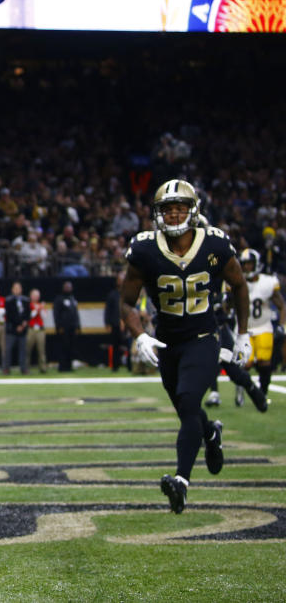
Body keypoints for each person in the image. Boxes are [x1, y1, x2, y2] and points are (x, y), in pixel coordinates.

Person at [120, 179, 251, 514]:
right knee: (186, 408)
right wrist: (140, 335)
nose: (174, 213)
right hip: (167, 340)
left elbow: (239, 286)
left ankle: (181, 481)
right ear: (157, 212)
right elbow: (126, 303)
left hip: (204, 337)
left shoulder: (216, 243)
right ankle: (211, 434)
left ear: (193, 210)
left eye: (180, 207)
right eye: (168, 208)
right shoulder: (145, 249)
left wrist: (243, 334)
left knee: (190, 399)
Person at [235, 248, 285, 397]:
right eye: (244, 264)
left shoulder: (268, 282)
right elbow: (229, 305)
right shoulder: (236, 280)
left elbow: (282, 305)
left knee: (265, 362)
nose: (246, 267)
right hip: (244, 328)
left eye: (249, 264)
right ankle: (242, 388)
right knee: (246, 363)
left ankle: (262, 394)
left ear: (256, 264)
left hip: (263, 326)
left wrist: (283, 325)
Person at [3, 281, 30, 375]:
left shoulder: (26, 300)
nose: (17, 290)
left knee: (23, 350)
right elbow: (9, 315)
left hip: (23, 329)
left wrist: (24, 324)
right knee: (8, 350)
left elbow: (27, 314)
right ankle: (6, 368)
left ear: (21, 289)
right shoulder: (8, 300)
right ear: (12, 290)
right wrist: (17, 325)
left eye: (19, 288)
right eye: (15, 288)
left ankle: (24, 368)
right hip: (12, 329)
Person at [53, 281, 80, 371]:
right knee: (63, 347)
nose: (68, 289)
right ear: (63, 288)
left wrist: (77, 326)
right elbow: (56, 314)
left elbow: (76, 314)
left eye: (69, 287)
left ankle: (69, 366)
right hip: (63, 328)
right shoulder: (59, 299)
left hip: (72, 327)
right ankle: (62, 366)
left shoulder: (72, 298)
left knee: (71, 347)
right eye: (66, 287)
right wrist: (58, 326)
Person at [104, 272, 125, 370]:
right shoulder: (112, 295)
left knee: (128, 345)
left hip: (127, 323)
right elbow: (108, 310)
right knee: (115, 345)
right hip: (115, 324)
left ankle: (129, 365)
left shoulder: (127, 293)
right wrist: (108, 323)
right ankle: (115, 365)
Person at [27, 288, 48, 373]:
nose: (36, 297)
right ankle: (26, 368)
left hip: (40, 330)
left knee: (41, 350)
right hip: (31, 329)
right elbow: (30, 316)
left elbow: (44, 317)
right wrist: (38, 308)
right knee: (28, 349)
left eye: (37, 295)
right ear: (31, 296)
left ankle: (43, 367)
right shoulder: (28, 305)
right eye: (34, 295)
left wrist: (41, 308)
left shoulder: (40, 305)